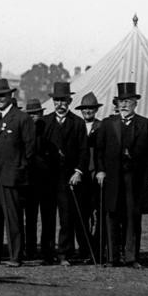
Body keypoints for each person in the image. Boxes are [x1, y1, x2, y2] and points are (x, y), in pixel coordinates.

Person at [95, 82, 148, 268]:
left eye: (128, 101)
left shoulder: (146, 124)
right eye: (121, 101)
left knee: (132, 217)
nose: (124, 105)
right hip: (113, 178)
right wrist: (100, 170)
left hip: (135, 179)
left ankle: (132, 257)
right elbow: (99, 151)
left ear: (135, 103)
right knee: (112, 215)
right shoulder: (107, 124)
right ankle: (112, 257)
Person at [0, 79, 35, 267]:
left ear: (10, 96)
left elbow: (30, 150)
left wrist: (18, 171)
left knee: (12, 216)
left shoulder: (22, 118)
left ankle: (15, 256)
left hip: (11, 175)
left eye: (2, 96)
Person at [37, 82, 90, 265]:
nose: (60, 104)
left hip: (68, 178)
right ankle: (47, 253)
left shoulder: (78, 123)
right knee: (48, 216)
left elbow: (84, 150)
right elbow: (38, 149)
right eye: (57, 100)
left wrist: (78, 171)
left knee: (67, 217)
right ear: (53, 101)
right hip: (47, 178)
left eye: (64, 100)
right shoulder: (45, 122)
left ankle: (64, 254)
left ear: (69, 101)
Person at [75, 91, 103, 259]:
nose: (87, 111)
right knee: (81, 215)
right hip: (80, 176)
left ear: (95, 110)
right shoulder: (77, 125)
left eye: (91, 108)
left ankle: (97, 248)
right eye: (85, 108)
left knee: (97, 214)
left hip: (95, 175)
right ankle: (85, 248)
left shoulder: (101, 126)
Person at [22, 98, 48, 262]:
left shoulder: (46, 129)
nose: (33, 117)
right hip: (28, 180)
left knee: (46, 217)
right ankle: (29, 249)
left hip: (44, 180)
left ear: (41, 114)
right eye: (30, 114)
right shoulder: (25, 130)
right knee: (29, 217)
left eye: (36, 114)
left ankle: (46, 250)